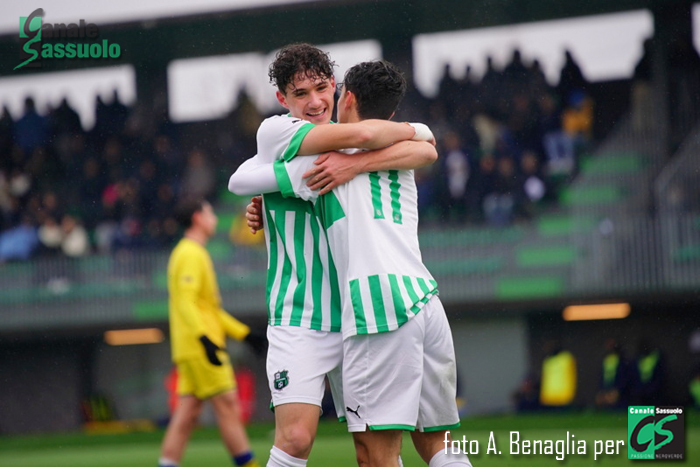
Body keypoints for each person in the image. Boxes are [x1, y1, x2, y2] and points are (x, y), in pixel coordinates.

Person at [235, 60, 470, 467]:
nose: (315, 102)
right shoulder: (399, 153)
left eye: (324, 89)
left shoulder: (324, 159)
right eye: (301, 94)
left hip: (373, 307)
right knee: (437, 444)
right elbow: (427, 145)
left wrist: (348, 165)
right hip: (422, 299)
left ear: (344, 94)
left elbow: (240, 179)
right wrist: (265, 208)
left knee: (375, 453)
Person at [158, 198, 266, 467]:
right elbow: (186, 302)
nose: (214, 218)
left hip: (190, 346)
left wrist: (244, 334)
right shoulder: (191, 253)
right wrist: (204, 339)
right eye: (209, 212)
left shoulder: (190, 252)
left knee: (187, 414)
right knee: (228, 405)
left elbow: (208, 309)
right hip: (201, 347)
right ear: (197, 218)